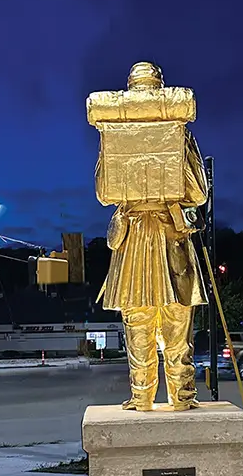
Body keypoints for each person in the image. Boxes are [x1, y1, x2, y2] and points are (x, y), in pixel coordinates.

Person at [89, 61, 208, 411]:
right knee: (176, 322)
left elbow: (103, 190)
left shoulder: (114, 131)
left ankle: (142, 397)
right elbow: (198, 191)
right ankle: (181, 398)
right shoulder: (179, 131)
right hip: (169, 235)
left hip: (137, 238)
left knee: (139, 322)